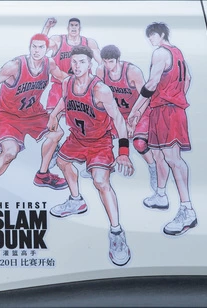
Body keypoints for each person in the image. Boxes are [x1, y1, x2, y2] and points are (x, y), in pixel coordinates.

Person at [0, 34, 69, 226]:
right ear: (29, 47)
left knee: (57, 132)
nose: (36, 51)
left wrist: (85, 86)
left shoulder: (49, 64)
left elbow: (65, 78)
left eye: (40, 47)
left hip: (33, 113)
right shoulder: (15, 66)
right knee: (10, 152)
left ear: (46, 49)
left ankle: (42, 175)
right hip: (8, 115)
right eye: (34, 47)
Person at [47, 46, 134, 267]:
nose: (77, 66)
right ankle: (76, 201)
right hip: (77, 138)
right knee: (62, 161)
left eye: (82, 62)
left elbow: (118, 119)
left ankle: (116, 232)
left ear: (90, 64)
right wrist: (54, 115)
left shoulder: (100, 89)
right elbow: (64, 100)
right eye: (74, 62)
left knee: (100, 182)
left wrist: (124, 152)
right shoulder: (67, 83)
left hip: (99, 141)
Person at [128, 22, 197, 236]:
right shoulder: (177, 53)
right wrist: (177, 95)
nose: (150, 39)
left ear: (161, 35)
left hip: (167, 110)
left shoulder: (160, 52)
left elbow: (151, 83)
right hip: (162, 108)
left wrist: (136, 109)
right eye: (149, 36)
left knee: (173, 159)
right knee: (158, 155)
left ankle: (187, 210)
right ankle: (160, 194)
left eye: (152, 35)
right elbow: (188, 78)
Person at [98, 44, 165, 193]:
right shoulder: (101, 71)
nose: (108, 65)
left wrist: (134, 119)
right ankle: (105, 164)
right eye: (105, 62)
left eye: (111, 61)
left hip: (138, 111)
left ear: (118, 60)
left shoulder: (132, 72)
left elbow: (145, 98)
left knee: (139, 143)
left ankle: (153, 168)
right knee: (100, 135)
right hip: (117, 113)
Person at [41, 17, 102, 112]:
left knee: (82, 118)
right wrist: (47, 27)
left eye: (76, 25)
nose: (74, 27)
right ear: (68, 27)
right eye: (71, 25)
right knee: (53, 118)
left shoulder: (89, 43)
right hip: (59, 86)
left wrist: (99, 82)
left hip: (82, 88)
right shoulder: (58, 40)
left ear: (80, 28)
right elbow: (40, 47)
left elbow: (101, 63)